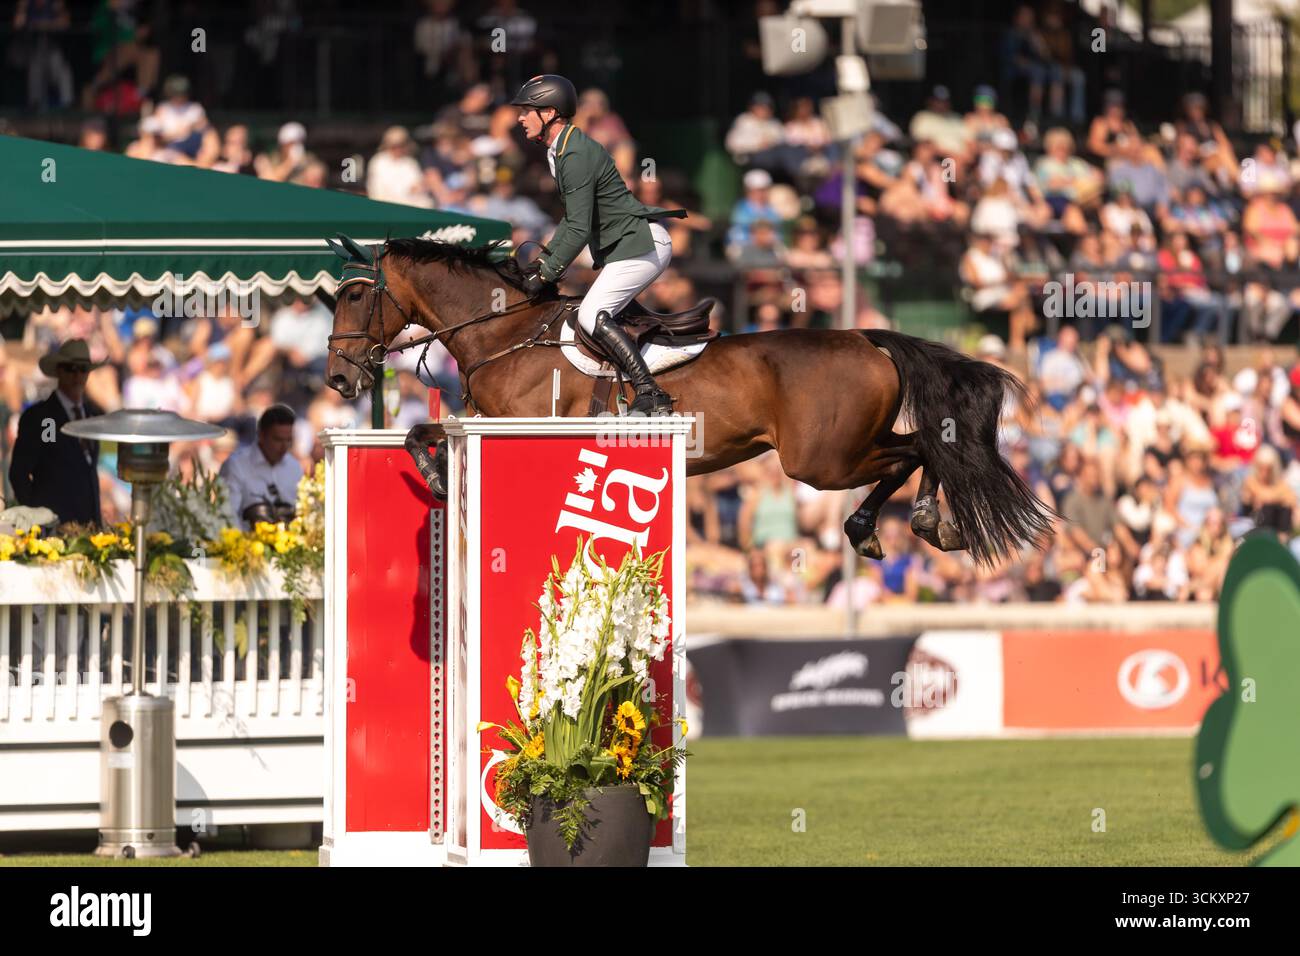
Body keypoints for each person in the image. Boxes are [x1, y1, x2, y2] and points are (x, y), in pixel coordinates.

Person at [511, 74, 687, 414]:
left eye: (527, 110)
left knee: (591, 315)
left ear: (549, 112)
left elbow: (578, 227)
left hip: (640, 246)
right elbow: (573, 220)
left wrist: (546, 273)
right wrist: (542, 263)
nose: (520, 117)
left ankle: (651, 393)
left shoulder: (574, 153)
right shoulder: (561, 150)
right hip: (628, 247)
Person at [9, 339, 105, 525]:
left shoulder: (93, 414)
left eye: (83, 369)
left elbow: (87, 469)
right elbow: (19, 472)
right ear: (59, 370)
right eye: (71, 368)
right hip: (53, 527)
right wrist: (36, 515)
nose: (77, 375)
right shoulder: (44, 417)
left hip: (89, 526)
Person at [219, 404, 304, 530]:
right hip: (246, 546)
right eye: (277, 439)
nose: (283, 446)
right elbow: (228, 516)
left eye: (288, 440)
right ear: (261, 435)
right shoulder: (236, 466)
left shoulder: (295, 468)